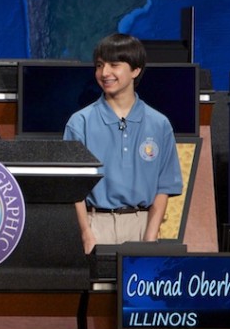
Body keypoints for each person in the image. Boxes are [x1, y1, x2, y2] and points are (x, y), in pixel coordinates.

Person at [64, 34, 182, 253]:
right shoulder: (79, 123)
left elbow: (164, 186)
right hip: (95, 224)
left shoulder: (159, 124)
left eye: (114, 65)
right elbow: (72, 188)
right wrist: (86, 232)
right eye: (99, 65)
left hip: (142, 224)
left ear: (135, 70)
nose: (104, 73)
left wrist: (150, 237)